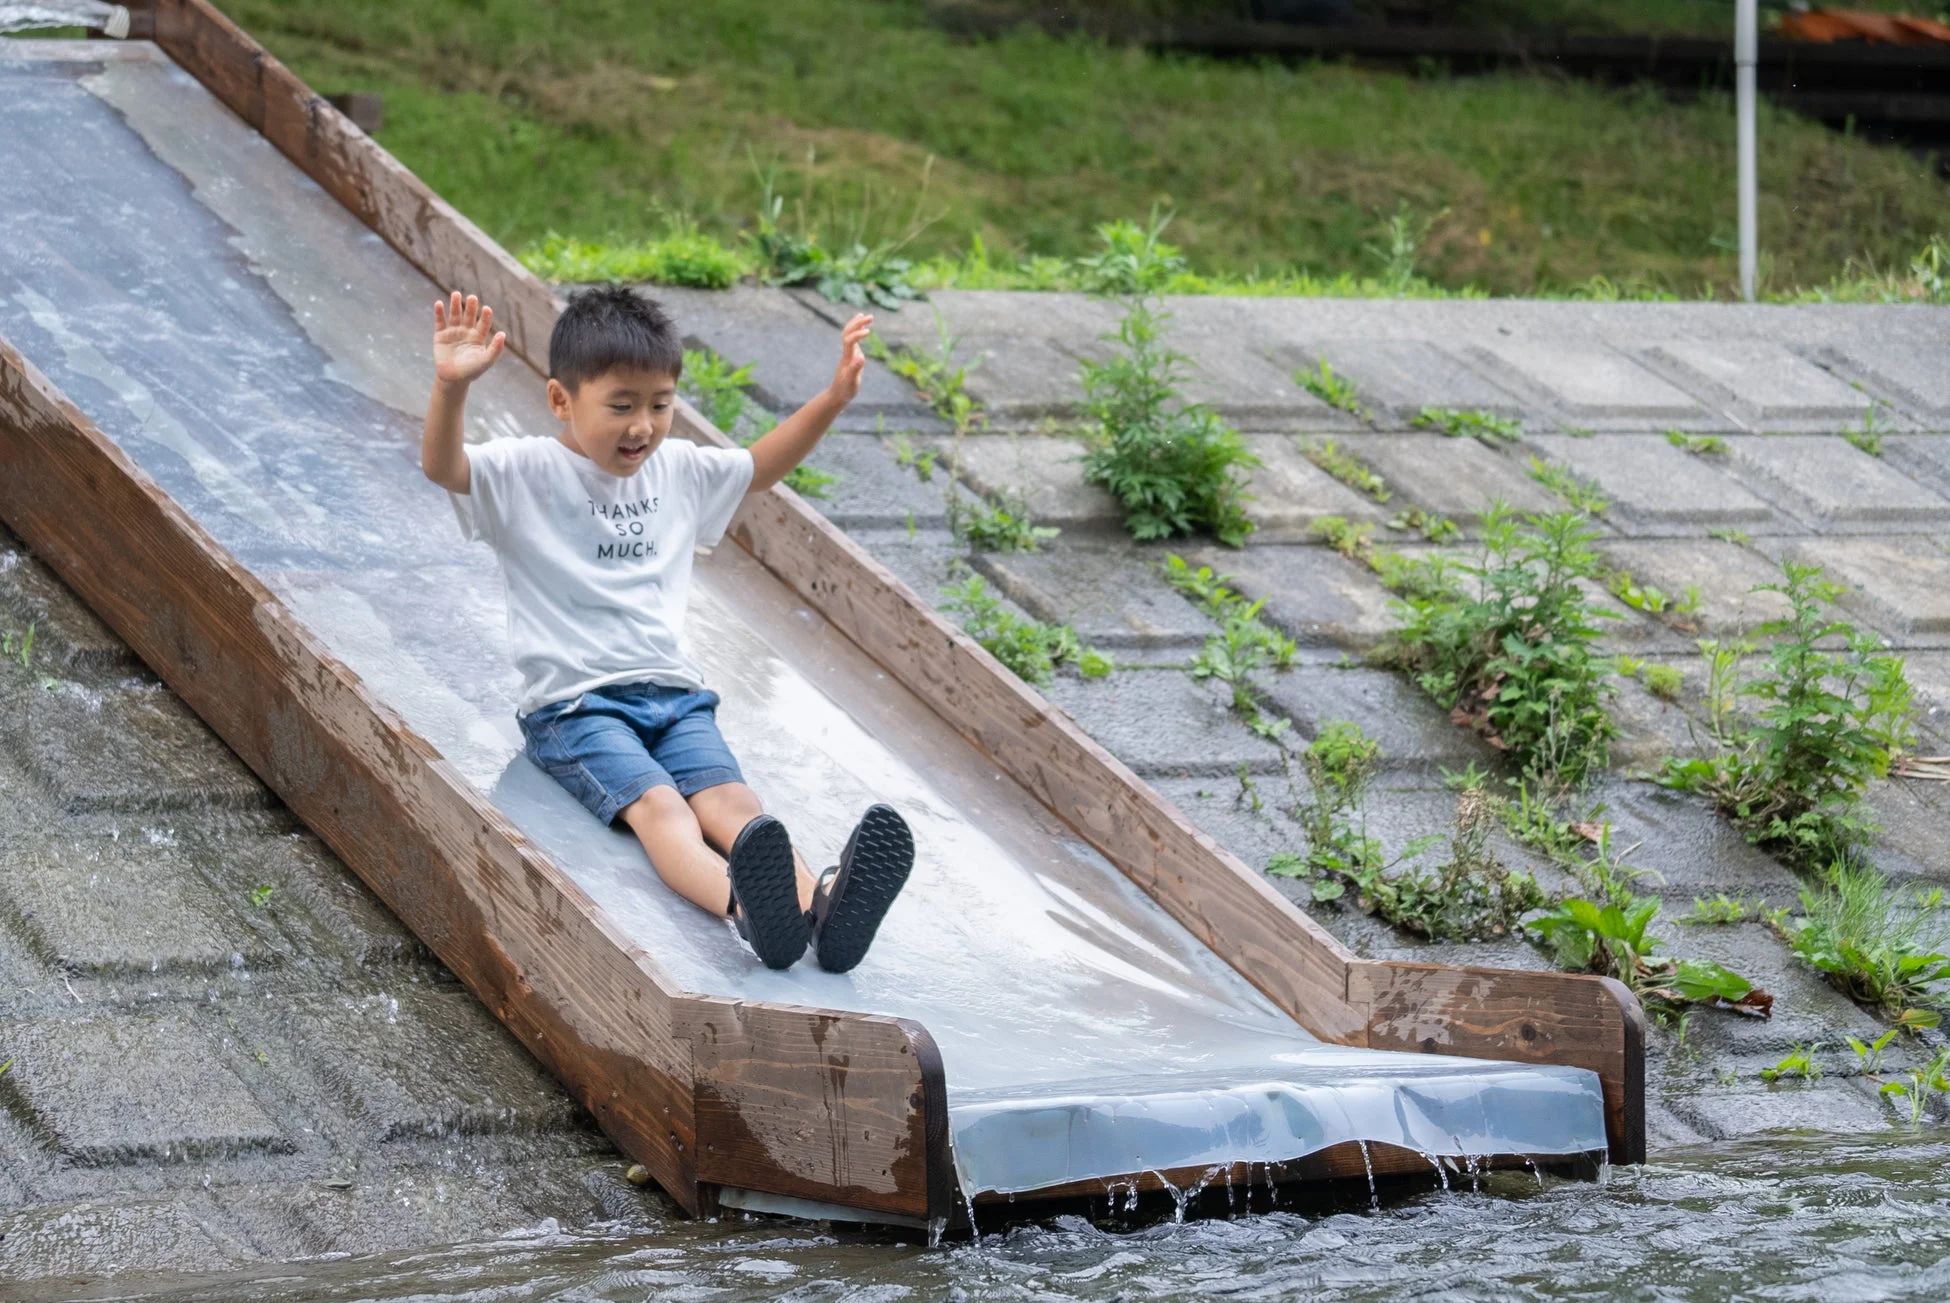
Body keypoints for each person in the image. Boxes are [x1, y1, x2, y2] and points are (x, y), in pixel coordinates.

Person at [420, 285, 912, 972]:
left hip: (675, 695)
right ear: (562, 400)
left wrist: (831, 399)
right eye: (621, 406)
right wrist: (450, 388)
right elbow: (445, 466)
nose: (643, 426)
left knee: (738, 805)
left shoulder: (675, 470)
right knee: (663, 809)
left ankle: (821, 914)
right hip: (575, 704)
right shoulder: (527, 469)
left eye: (660, 405)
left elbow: (758, 467)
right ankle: (749, 911)